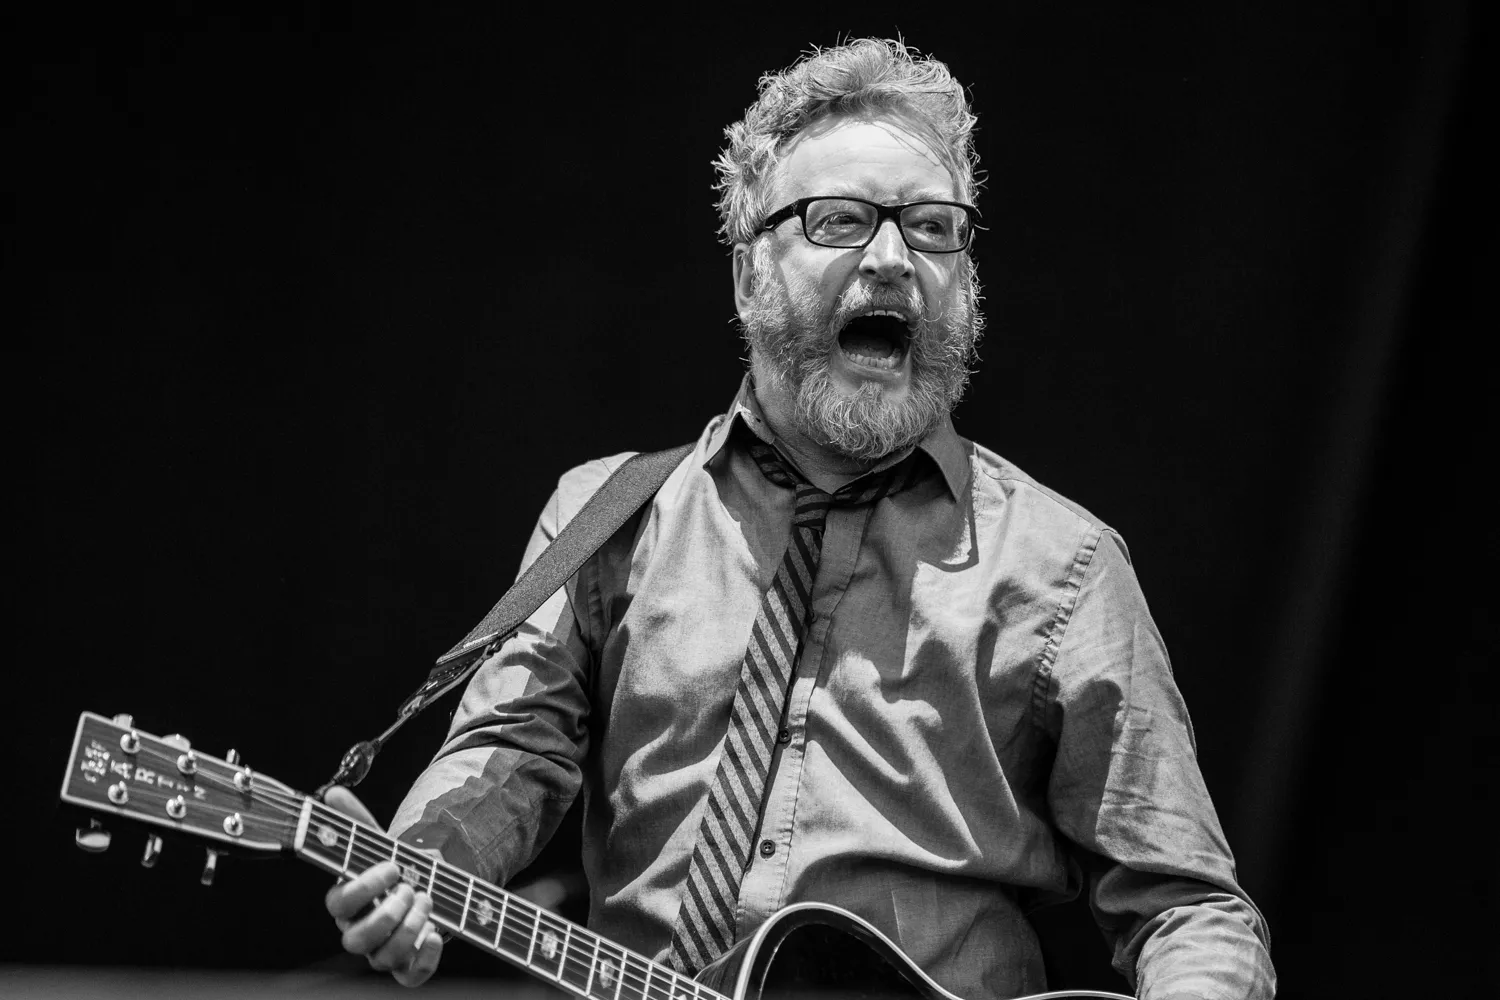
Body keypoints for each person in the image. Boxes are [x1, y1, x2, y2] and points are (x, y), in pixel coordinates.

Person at [323, 38, 1276, 999]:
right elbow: (511, 749)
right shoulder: (606, 517)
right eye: (841, 220)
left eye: (933, 227)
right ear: (748, 277)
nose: (894, 258)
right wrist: (424, 870)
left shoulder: (1064, 565)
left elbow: (1188, 908)